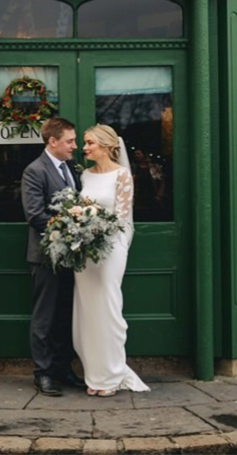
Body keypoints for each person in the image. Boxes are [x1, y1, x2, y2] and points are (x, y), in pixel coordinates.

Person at [74, 124, 150, 397]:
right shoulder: (85, 175)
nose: (84, 148)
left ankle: (112, 374)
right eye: (83, 142)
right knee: (87, 309)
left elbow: (121, 216)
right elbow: (80, 209)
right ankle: (94, 375)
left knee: (108, 306)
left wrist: (97, 230)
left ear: (106, 146)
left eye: (89, 143)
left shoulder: (122, 175)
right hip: (84, 249)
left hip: (111, 246)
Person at [21, 117, 87, 397]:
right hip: (46, 256)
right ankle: (43, 374)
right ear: (52, 141)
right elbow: (35, 215)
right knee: (44, 318)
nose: (75, 146)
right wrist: (70, 226)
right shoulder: (34, 171)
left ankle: (62, 368)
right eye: (70, 141)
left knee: (65, 317)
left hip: (71, 257)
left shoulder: (71, 167)